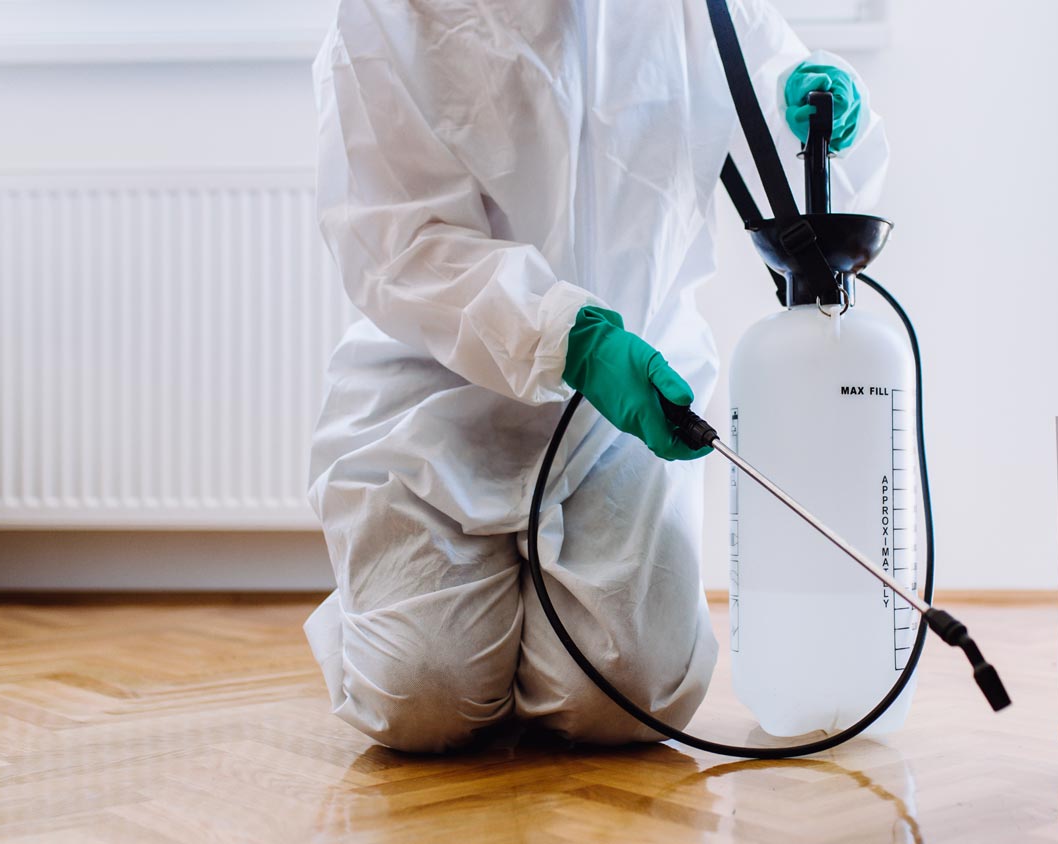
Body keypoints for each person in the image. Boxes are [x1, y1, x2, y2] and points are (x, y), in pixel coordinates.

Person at [304, 0, 888, 752]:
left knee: (628, 698)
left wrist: (829, 109)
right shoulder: (389, 13)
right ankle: (416, 605)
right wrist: (560, 336)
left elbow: (785, 119)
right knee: (423, 697)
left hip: (628, 406)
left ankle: (520, 617)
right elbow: (395, 240)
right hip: (439, 396)